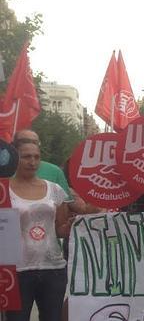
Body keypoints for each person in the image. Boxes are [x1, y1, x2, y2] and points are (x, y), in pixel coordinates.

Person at [6, 138, 73, 321]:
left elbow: (59, 228)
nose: (32, 161)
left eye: (36, 157)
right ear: (14, 158)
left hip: (53, 268)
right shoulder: (3, 190)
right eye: (26, 156)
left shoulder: (55, 189)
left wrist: (68, 228)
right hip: (17, 271)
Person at [14, 129, 72, 201]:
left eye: (35, 142)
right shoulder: (4, 171)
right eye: (25, 141)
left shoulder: (55, 171)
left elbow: (67, 204)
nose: (30, 145)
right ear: (14, 146)